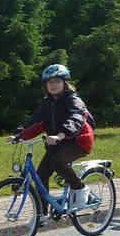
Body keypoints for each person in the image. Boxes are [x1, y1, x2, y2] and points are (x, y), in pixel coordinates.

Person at [8, 64, 95, 224]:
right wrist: (19, 135)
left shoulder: (73, 100)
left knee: (57, 161)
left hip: (77, 141)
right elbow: (36, 121)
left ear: (65, 82)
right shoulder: (47, 103)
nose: (53, 85)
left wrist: (61, 135)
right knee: (40, 175)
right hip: (57, 143)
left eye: (57, 81)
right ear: (45, 86)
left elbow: (76, 119)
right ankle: (41, 215)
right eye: (49, 82)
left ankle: (81, 188)